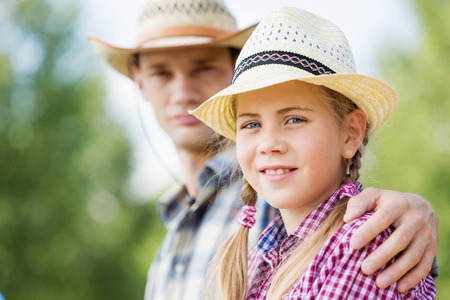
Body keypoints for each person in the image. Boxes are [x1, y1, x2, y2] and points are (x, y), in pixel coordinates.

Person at [88, 0, 439, 299]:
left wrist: (416, 212)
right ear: (140, 81)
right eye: (252, 124)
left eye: (294, 119)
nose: (183, 91)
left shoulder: (349, 235)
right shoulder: (232, 240)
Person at [192, 7, 436, 299]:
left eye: (294, 119)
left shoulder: (359, 246)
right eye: (252, 124)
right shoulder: (261, 256)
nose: (269, 143)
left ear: (351, 133)